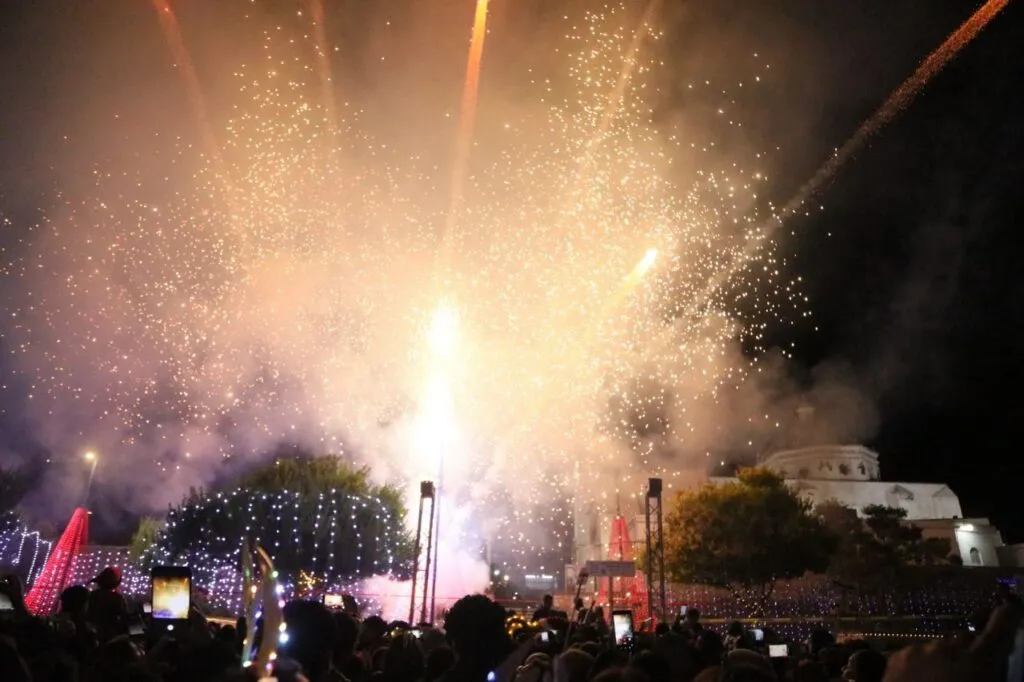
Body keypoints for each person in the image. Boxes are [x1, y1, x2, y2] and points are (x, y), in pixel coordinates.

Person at [87, 566, 131, 644]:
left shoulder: (92, 595)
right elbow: (126, 618)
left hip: (91, 634)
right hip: (110, 636)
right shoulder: (117, 598)